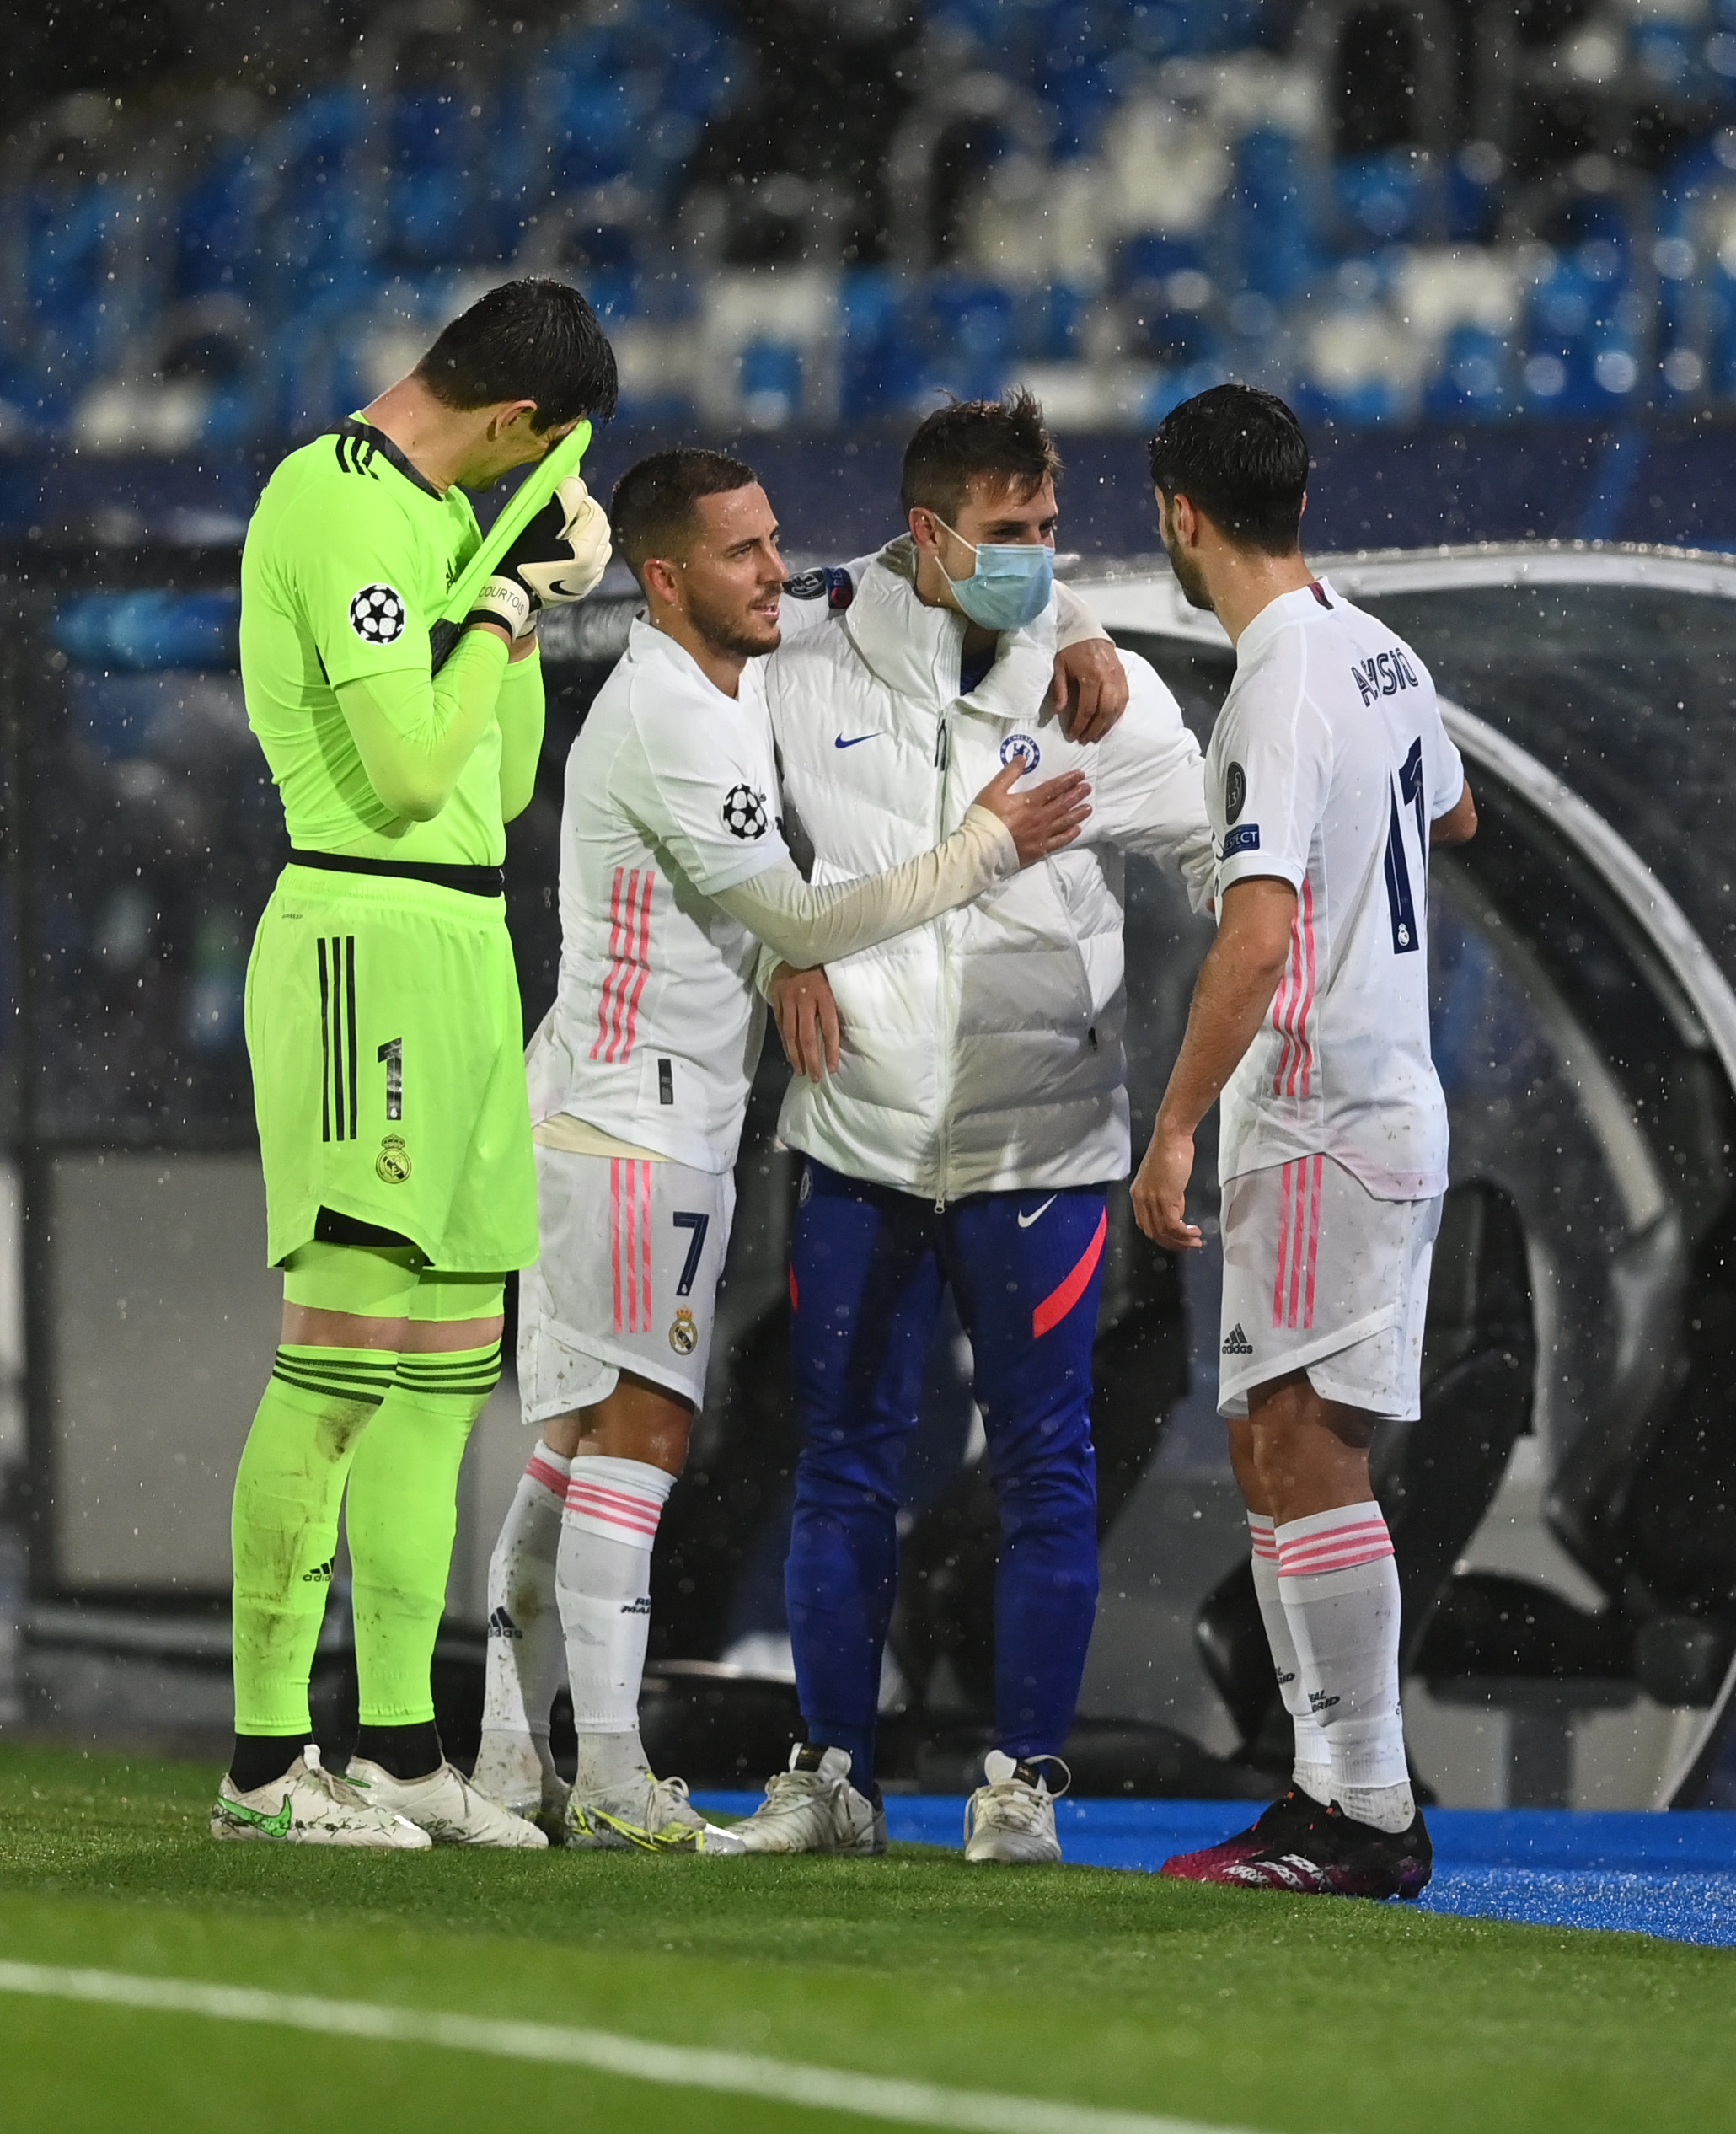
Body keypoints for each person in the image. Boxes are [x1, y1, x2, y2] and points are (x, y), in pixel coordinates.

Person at [472, 446, 1125, 1849]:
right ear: (665, 580)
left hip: (617, 1108)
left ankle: (509, 1755)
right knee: (636, 1441)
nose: (780, 572)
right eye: (744, 553)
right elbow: (811, 918)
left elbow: (895, 574)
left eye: (775, 542)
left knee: (572, 1445)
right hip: (638, 1122)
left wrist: (1078, 619)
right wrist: (984, 849)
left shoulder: (727, 664)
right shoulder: (676, 720)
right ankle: (610, 1775)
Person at [723, 391, 1215, 1865]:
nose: (1040, 557)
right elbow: (704, 823)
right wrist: (774, 955)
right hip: (859, 1135)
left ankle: (1024, 1785)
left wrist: (1280, 1001)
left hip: (1043, 1144)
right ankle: (832, 1778)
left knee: (1048, 1466)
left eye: (1053, 532)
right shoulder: (802, 654)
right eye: (1011, 534)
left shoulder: (1101, 687)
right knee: (844, 1467)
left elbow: (1214, 848)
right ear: (927, 534)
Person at [213, 278, 618, 1847]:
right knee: (334, 1365)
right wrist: (508, 603)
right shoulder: (334, 501)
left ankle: (396, 1744)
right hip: (356, 942)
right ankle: (260, 1768)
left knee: (442, 1377)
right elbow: (396, 771)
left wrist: (520, 605)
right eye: (550, 448)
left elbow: (496, 780)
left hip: (459, 949)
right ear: (515, 419)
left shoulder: (446, 526)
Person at [1129, 383, 1477, 1900]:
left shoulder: (1275, 677)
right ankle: (1329, 1795)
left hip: (1323, 1109)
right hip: (1367, 1096)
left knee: (1308, 1454)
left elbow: (1260, 931)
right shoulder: (1373, 643)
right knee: (1277, 1446)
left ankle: (1367, 1812)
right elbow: (1451, 819)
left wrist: (1175, 1123)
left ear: (1181, 514)